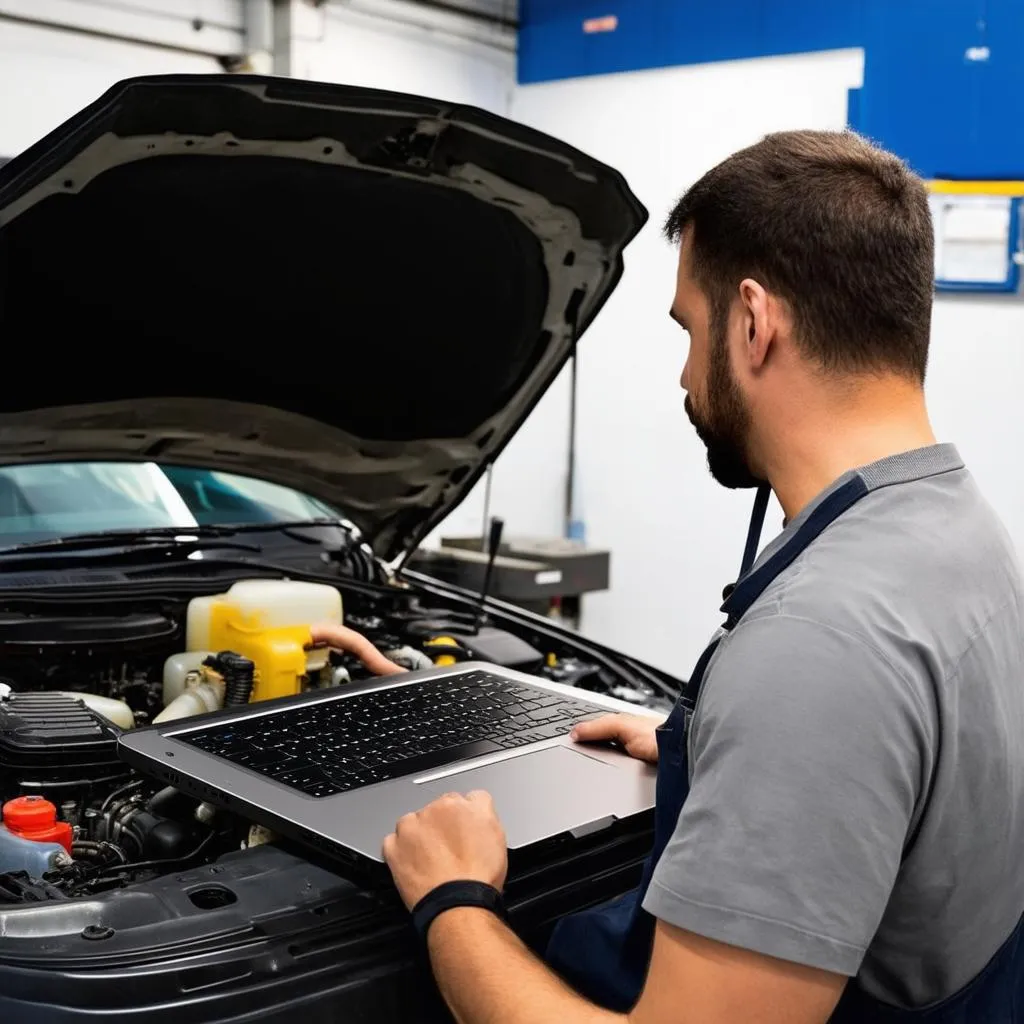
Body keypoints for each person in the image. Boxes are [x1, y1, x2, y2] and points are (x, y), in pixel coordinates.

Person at [312, 130, 1024, 1023]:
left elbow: (831, 683)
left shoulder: (822, 643)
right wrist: (717, 745)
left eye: (690, 329)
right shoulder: (953, 525)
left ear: (756, 323)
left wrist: (451, 900)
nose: (686, 375)